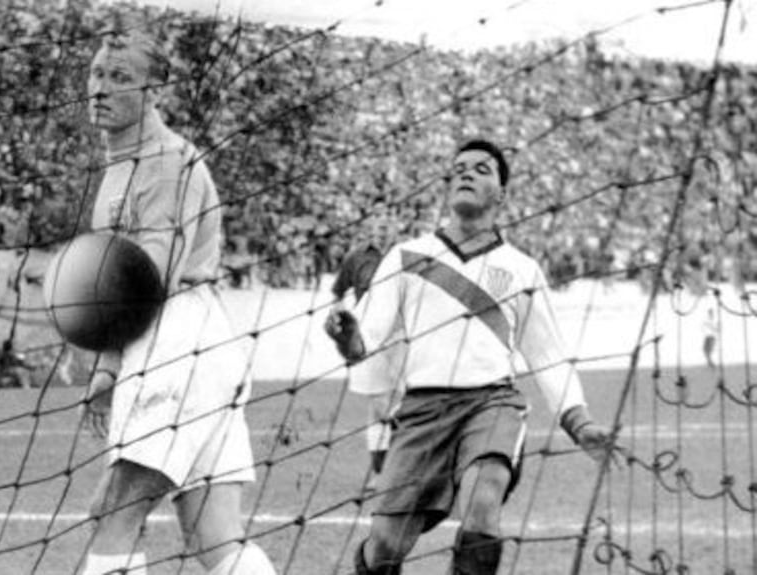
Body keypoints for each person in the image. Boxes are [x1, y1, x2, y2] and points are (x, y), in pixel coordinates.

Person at [325, 139, 621, 575]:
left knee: (483, 502)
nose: (466, 173)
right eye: (459, 168)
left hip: (491, 403)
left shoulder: (522, 269)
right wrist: (346, 337)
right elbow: (364, 338)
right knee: (385, 547)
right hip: (420, 414)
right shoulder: (406, 256)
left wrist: (578, 422)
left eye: (481, 169)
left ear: (502, 193)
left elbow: (549, 357)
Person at [77, 17, 276, 575]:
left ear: (154, 90)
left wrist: (106, 358)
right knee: (214, 534)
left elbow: (150, 275)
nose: (101, 87)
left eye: (120, 76)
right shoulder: (124, 163)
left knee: (115, 507)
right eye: (96, 73)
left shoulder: (166, 161)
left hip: (173, 335)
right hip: (196, 342)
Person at [330, 209, 402, 495]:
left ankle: (406, 466)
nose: (382, 229)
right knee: (378, 407)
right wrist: (338, 316)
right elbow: (338, 292)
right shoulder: (356, 257)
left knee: (411, 402)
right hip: (369, 336)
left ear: (396, 227)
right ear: (371, 228)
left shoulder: (408, 255)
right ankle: (380, 474)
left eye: (387, 224)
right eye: (378, 224)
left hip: (404, 334)